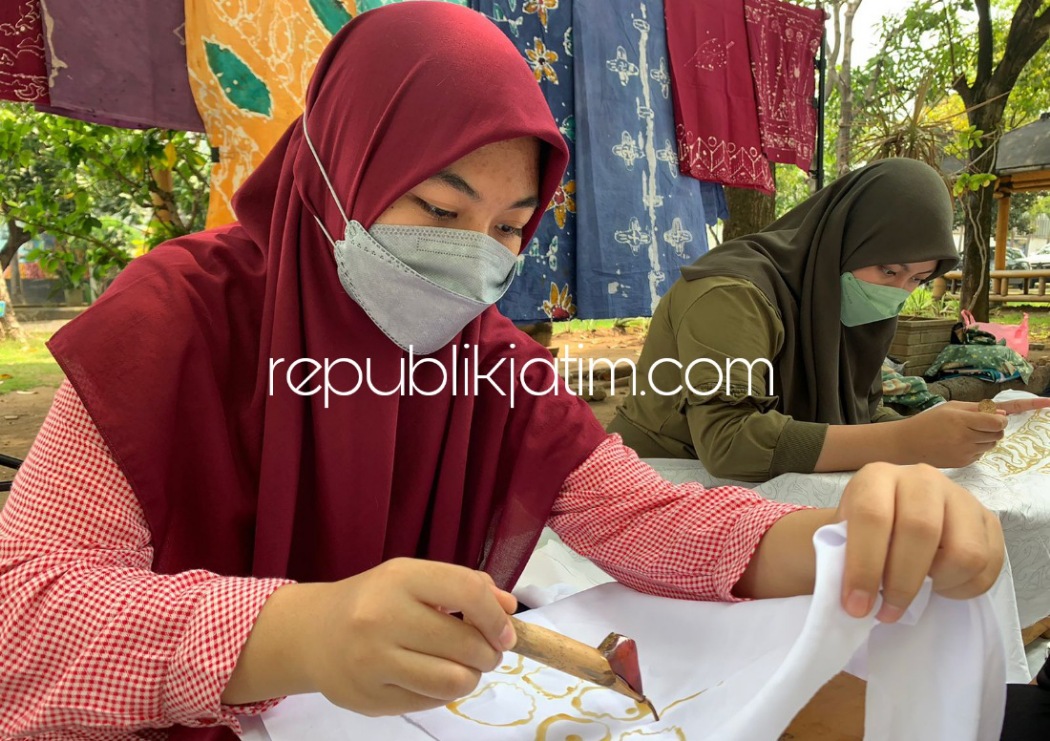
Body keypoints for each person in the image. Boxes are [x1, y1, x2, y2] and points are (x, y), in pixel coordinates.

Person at [0, 5, 1006, 739]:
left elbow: (656, 522)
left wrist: (853, 538)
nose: (474, 258)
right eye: (439, 211)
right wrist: (294, 632)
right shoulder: (177, 320)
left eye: (510, 228)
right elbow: (23, 619)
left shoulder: (490, 369)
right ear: (342, 162)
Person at [609, 159, 1050, 482]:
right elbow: (730, 441)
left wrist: (952, 430)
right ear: (843, 242)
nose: (896, 293)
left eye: (918, 278)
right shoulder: (730, 295)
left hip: (763, 487)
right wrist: (908, 442)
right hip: (657, 477)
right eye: (888, 271)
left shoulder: (833, 297)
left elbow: (859, 412)